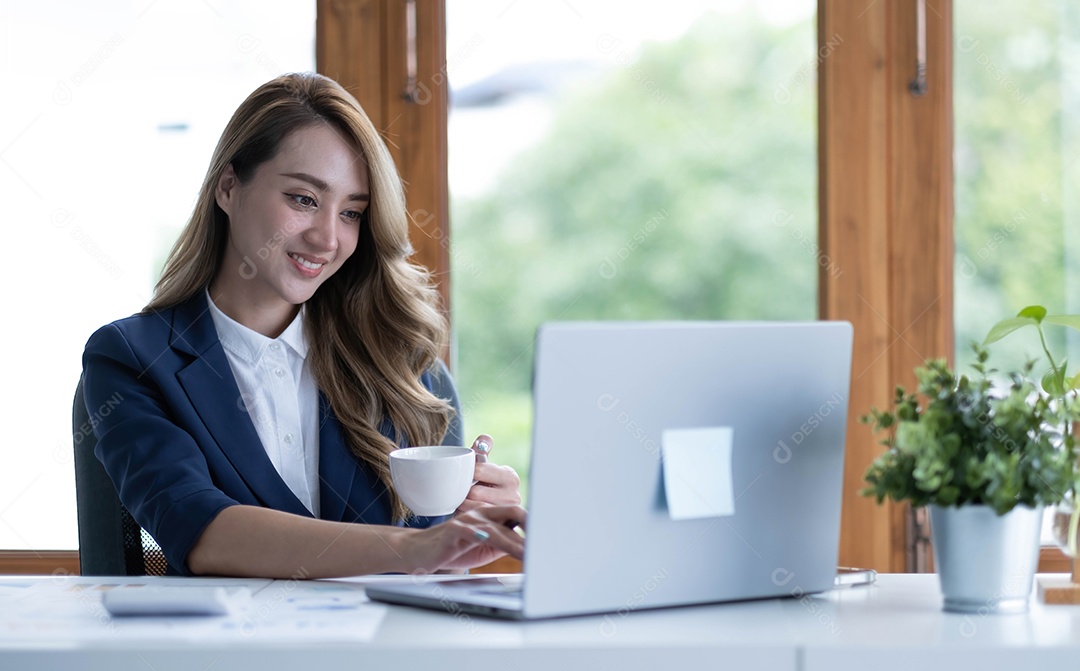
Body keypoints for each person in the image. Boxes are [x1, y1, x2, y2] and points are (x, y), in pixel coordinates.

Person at [81, 72, 525, 579]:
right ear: (229, 187)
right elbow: (200, 530)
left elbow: (444, 572)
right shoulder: (133, 358)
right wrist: (420, 547)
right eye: (304, 199)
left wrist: (476, 513)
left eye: (352, 213)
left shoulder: (403, 365)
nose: (327, 239)